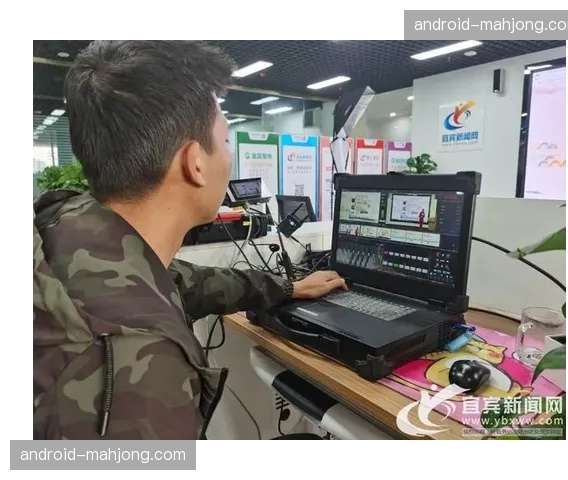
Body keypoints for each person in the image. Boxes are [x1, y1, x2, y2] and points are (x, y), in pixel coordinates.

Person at [32, 41, 347, 440]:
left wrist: (287, 287)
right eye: (226, 142)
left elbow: (180, 280)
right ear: (194, 162)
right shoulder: (139, 363)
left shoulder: (70, 223)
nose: (228, 158)